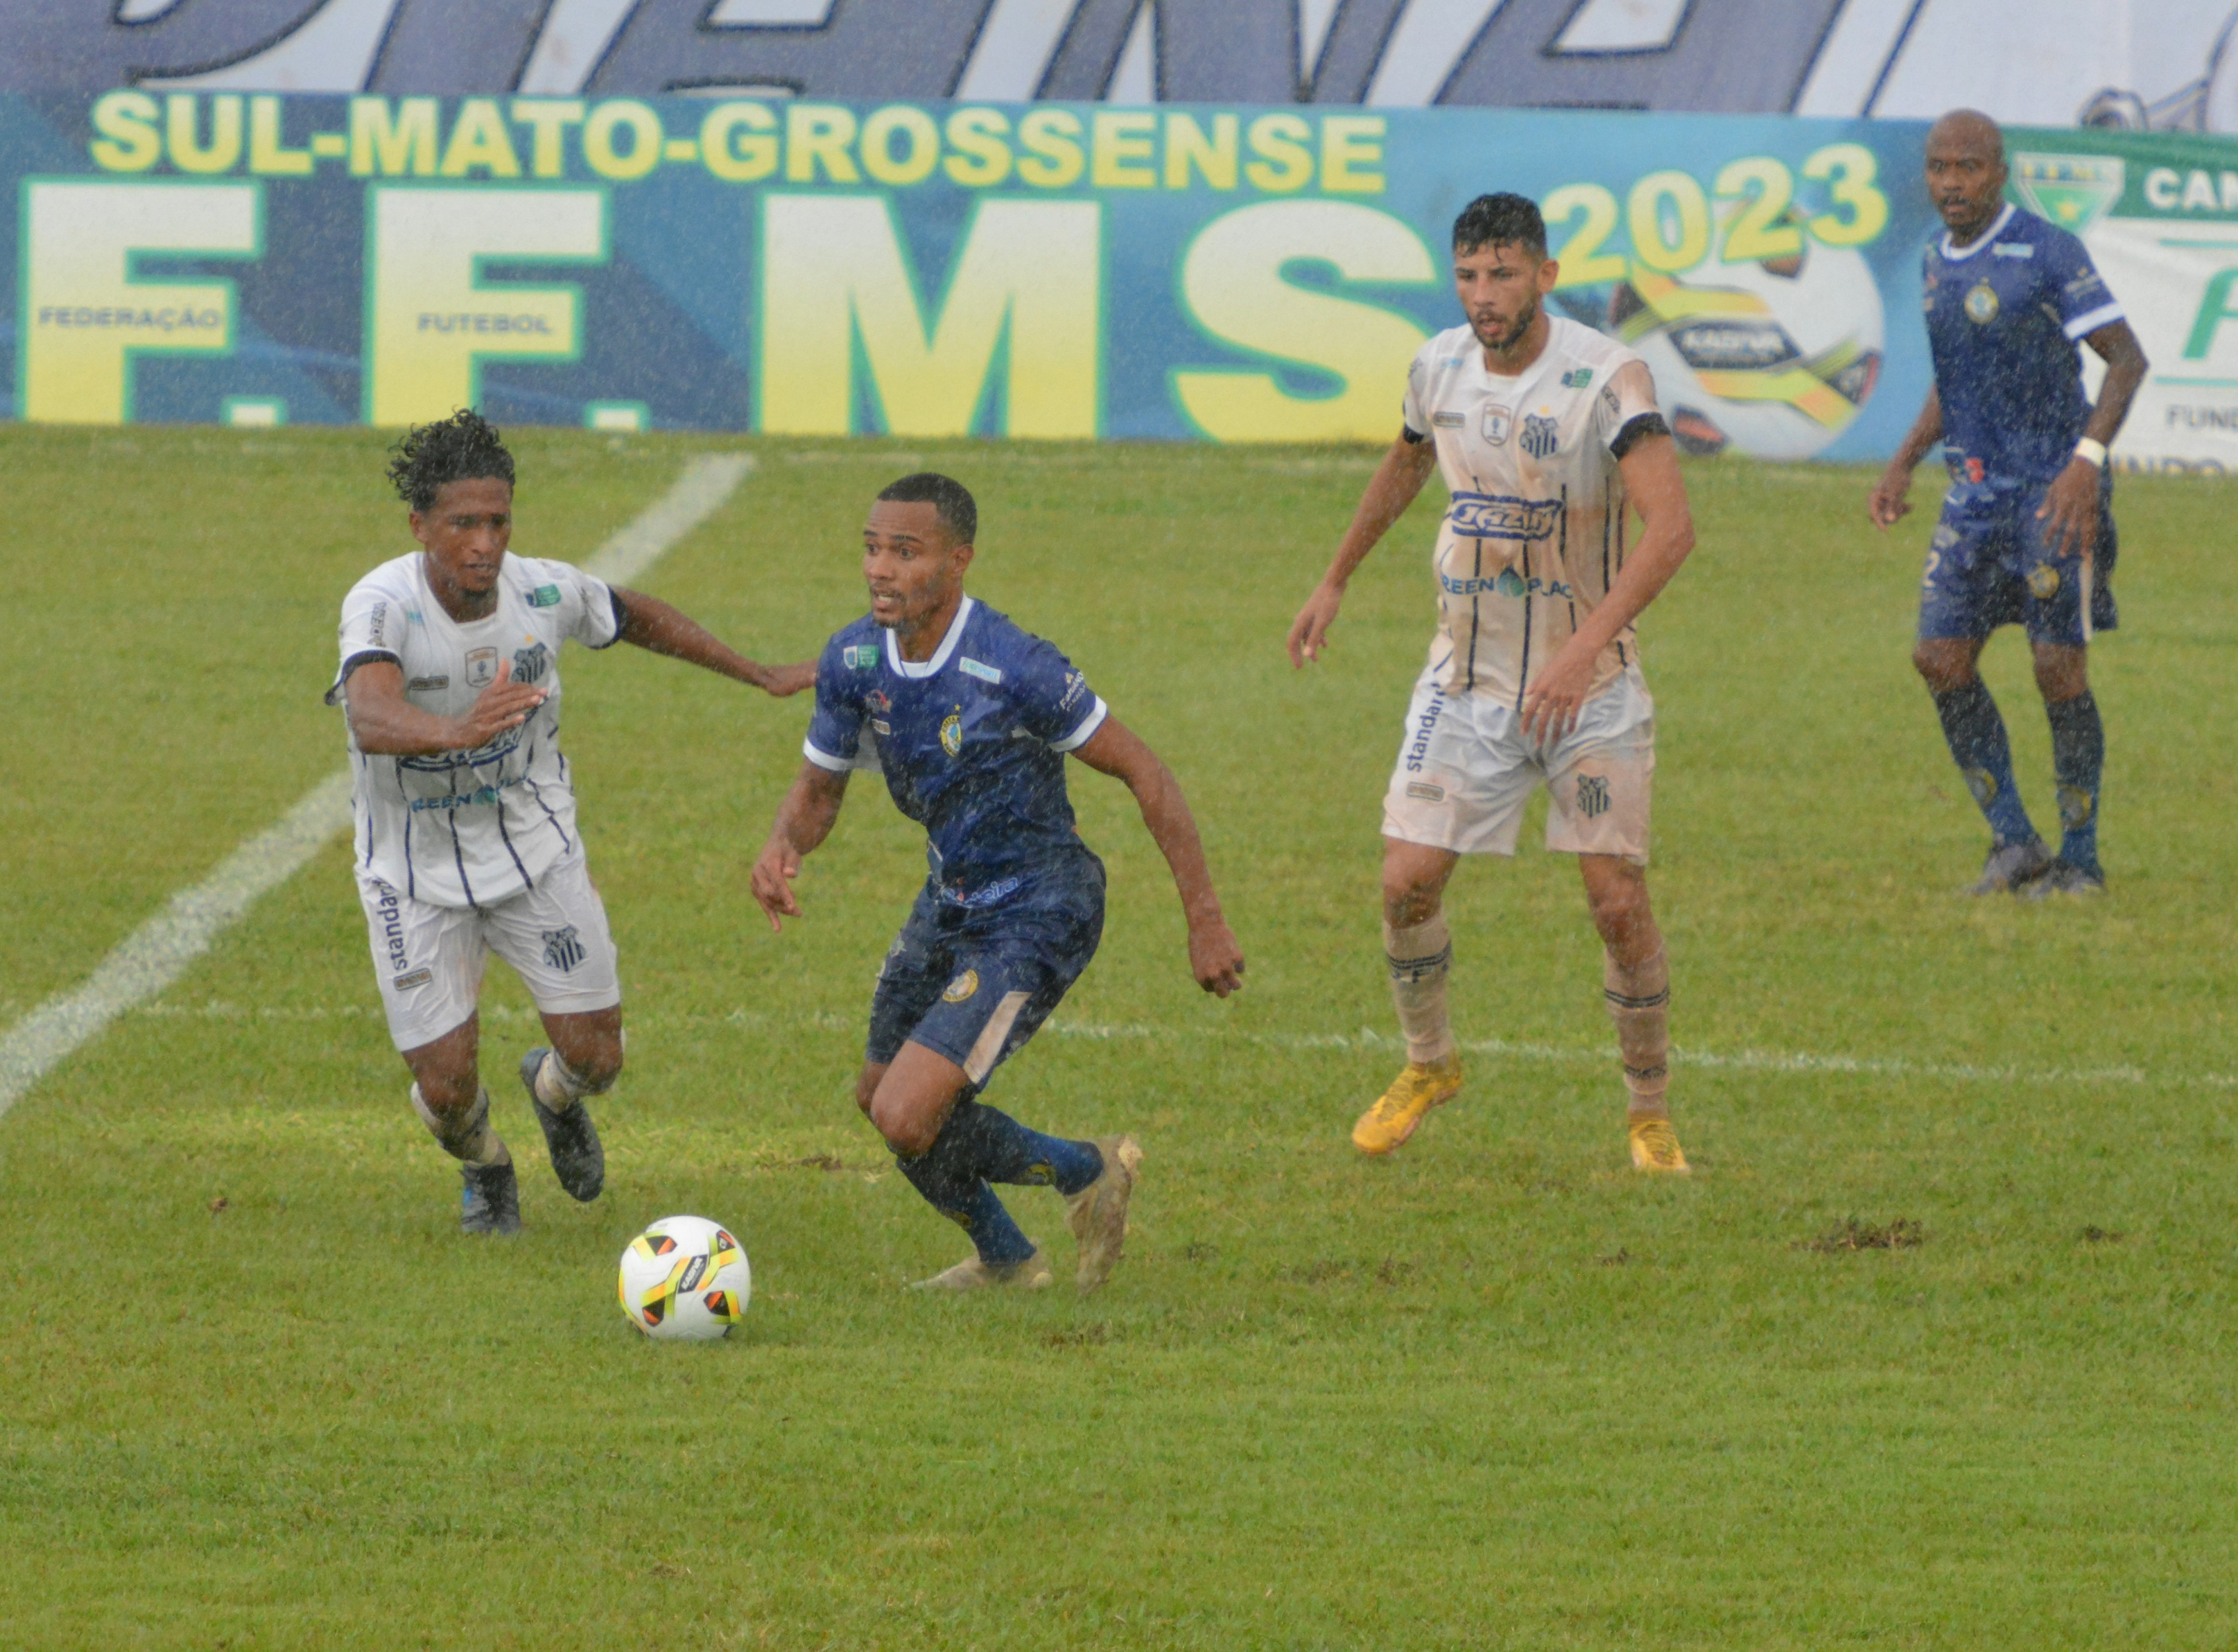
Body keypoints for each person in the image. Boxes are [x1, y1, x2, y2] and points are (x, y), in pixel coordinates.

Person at [751, 472, 1245, 1293]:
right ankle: (1007, 1260)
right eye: (872, 548)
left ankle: (1083, 1168)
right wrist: (781, 847)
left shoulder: (1014, 666)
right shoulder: (853, 658)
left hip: (1041, 908)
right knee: (878, 1096)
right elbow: (819, 789)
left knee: (909, 1115)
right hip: (949, 898)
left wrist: (1205, 920)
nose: (881, 568)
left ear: (959, 560)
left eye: (905, 552)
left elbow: (1147, 774)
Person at [1287, 192, 1697, 1171]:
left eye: (1503, 274)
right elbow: (1404, 462)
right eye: (1468, 275)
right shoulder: (1434, 366)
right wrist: (1334, 578)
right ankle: (1428, 1063)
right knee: (1403, 883)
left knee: (1614, 900)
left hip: (1587, 688)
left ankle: (1648, 1112)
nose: (1482, 295)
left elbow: (1670, 529)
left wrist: (1579, 645)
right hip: (1465, 682)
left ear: (1544, 276)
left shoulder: (1607, 378)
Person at [328, 410, 811, 1233]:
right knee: (445, 1091)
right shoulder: (382, 604)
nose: (485, 543)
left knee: (598, 1057)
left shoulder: (542, 589)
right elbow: (373, 714)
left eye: (498, 521)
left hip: (533, 853)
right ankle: (487, 1167)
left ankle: (552, 1094)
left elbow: (632, 615)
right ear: (420, 526)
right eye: (463, 524)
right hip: (411, 875)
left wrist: (757, 672)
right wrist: (460, 730)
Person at [1869, 109, 2147, 897]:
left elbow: (2126, 359)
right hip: (1975, 492)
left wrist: (2085, 464)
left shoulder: (2048, 250)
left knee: (2057, 667)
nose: (1950, 184)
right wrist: (1902, 463)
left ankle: (2082, 860)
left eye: (1967, 168)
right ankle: (2015, 843)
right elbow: (1955, 380)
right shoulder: (1933, 262)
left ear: (1998, 170)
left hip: (2052, 493)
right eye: (1937, 168)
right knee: (1939, 657)